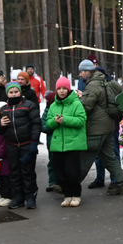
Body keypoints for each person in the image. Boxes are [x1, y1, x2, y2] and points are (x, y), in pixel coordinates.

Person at [77, 60, 123, 195]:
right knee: (109, 157)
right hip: (109, 126)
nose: (80, 74)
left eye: (81, 71)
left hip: (96, 128)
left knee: (85, 158)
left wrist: (78, 100)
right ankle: (121, 184)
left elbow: (86, 107)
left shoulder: (93, 85)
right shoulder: (105, 81)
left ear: (88, 72)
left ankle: (69, 184)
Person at [0, 82, 42, 210]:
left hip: (27, 144)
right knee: (14, 172)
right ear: (7, 94)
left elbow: (35, 124)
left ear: (20, 92)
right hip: (11, 145)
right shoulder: (3, 109)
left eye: (15, 92)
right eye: (11, 92)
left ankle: (30, 196)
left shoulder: (29, 105)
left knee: (27, 171)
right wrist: (0, 124)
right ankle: (18, 197)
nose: (13, 94)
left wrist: (34, 142)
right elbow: (0, 131)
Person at [44, 77, 88, 208]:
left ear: (68, 90)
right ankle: (67, 195)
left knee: (73, 171)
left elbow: (81, 120)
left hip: (73, 143)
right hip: (58, 144)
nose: (61, 91)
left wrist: (65, 120)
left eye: (64, 88)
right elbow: (48, 123)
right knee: (60, 172)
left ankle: (76, 195)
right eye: (59, 89)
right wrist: (55, 122)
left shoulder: (76, 103)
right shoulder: (53, 105)